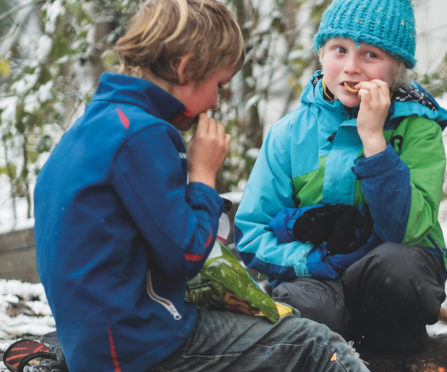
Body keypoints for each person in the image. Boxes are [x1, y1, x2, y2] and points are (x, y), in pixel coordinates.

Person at [33, 1, 369, 371]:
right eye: (218, 85)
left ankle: (54, 355)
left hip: (97, 343)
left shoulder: (96, 125)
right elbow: (187, 256)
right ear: (186, 68)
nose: (215, 101)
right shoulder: (145, 135)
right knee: (316, 345)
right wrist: (203, 176)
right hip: (141, 345)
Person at [234, 0, 447, 352]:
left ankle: (394, 357)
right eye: (340, 50)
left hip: (390, 272)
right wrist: (309, 262)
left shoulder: (418, 129)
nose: (352, 68)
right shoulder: (289, 133)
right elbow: (252, 233)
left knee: (395, 270)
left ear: (396, 68)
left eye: (371, 55)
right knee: (310, 311)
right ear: (321, 55)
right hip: (314, 275)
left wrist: (374, 141)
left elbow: (406, 230)